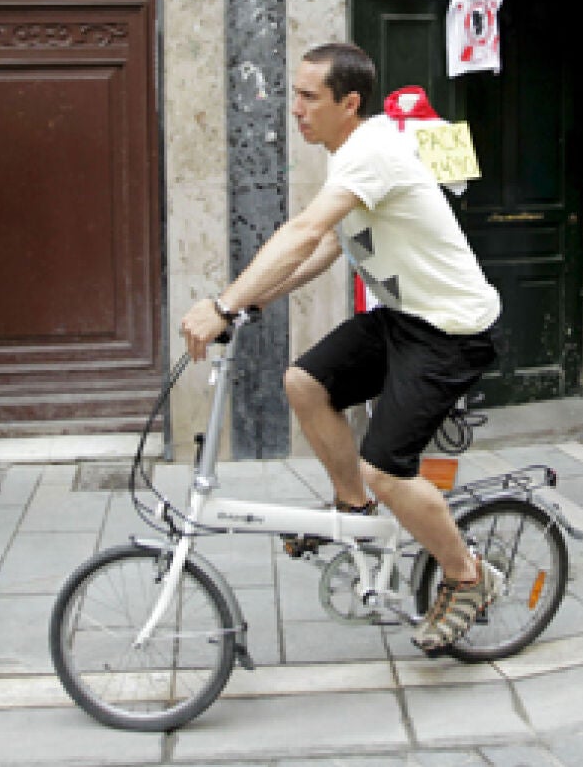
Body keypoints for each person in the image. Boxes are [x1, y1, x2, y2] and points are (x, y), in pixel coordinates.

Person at [177, 43, 503, 656]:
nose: (293, 109)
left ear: (348, 103)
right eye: (293, 94)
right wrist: (256, 300)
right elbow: (328, 245)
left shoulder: (373, 150)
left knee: (388, 469)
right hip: (405, 317)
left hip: (452, 331)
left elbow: (302, 231)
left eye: (308, 97)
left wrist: (223, 304)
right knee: (304, 383)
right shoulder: (350, 153)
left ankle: (466, 576)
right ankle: (353, 508)